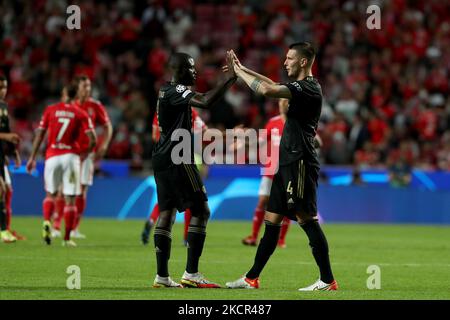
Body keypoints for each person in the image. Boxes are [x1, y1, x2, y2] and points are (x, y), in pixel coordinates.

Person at [226, 43, 338, 291]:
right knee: (272, 218)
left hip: (300, 162)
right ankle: (251, 278)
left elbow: (266, 90)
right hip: (286, 161)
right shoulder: (298, 88)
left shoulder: (308, 87)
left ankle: (327, 280)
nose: (285, 62)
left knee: (305, 218)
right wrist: (243, 68)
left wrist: (239, 73)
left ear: (303, 62)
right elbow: (270, 83)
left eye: (289, 59)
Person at [151, 51, 236, 288]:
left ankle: (162, 277)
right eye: (190, 67)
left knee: (166, 212)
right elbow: (206, 100)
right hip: (178, 156)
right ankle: (191, 273)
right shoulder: (177, 90)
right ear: (178, 70)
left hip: (161, 156)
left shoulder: (165, 91)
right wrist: (229, 80)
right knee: (202, 210)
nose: (195, 71)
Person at [26, 83, 97, 247]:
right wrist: (84, 153)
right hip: (71, 157)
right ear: (76, 97)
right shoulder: (80, 113)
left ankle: (46, 222)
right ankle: (66, 239)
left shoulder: (50, 109)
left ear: (63, 95)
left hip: (52, 156)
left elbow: (40, 134)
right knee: (70, 199)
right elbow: (92, 139)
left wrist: (32, 157)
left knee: (50, 194)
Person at [141, 108, 208, 246]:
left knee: (168, 198)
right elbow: (205, 132)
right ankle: (186, 238)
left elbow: (154, 136)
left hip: (163, 160)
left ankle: (152, 220)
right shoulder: (190, 111)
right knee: (192, 198)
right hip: (182, 158)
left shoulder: (160, 110)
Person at [242, 99, 291, 248]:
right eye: (281, 100)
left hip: (288, 169)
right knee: (263, 201)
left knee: (288, 205)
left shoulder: (296, 123)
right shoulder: (273, 122)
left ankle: (281, 240)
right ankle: (253, 237)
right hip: (270, 168)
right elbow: (261, 141)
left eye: (286, 101)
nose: (283, 103)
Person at [72, 75, 113, 239]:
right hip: (70, 153)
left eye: (88, 86)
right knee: (63, 191)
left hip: (88, 154)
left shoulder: (94, 105)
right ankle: (55, 225)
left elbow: (108, 126)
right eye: (84, 86)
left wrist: (104, 145)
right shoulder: (69, 105)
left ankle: (74, 228)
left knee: (81, 190)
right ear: (77, 88)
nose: (87, 89)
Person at [0, 75, 21, 243]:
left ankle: (5, 229)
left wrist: (14, 153)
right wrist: (8, 136)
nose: (3, 91)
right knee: (2, 189)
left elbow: (8, 133)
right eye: (0, 88)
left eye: (5, 87)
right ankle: (3, 231)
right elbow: (7, 134)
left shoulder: (4, 107)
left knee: (6, 190)